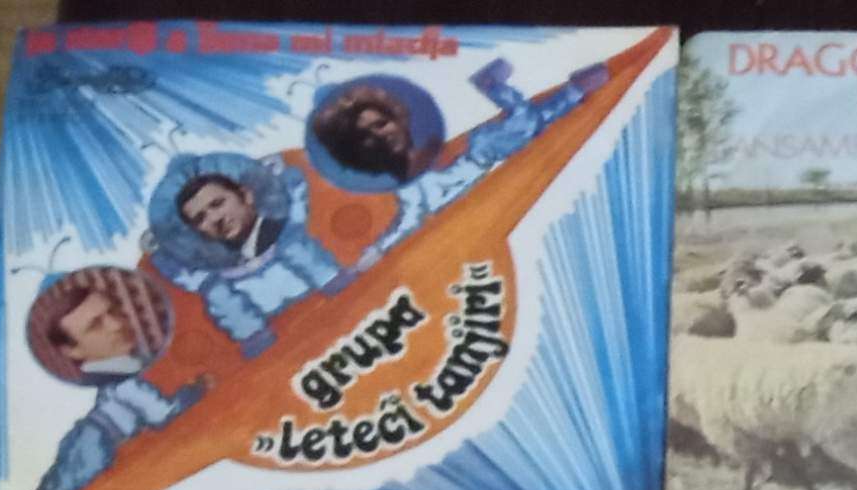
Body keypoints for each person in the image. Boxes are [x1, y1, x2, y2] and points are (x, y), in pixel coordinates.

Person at [321, 59, 611, 262]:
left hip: (479, 151)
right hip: (482, 161)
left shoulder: (412, 173)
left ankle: (505, 86)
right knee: (532, 124)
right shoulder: (410, 192)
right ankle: (562, 91)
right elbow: (405, 222)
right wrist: (377, 251)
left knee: (526, 124)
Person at [7, 268, 206, 490]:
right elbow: (162, 414)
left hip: (95, 437)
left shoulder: (124, 369)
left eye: (112, 311)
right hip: (95, 439)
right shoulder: (123, 381)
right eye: (95, 325)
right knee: (66, 485)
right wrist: (193, 393)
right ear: (73, 351)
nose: (116, 324)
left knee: (66, 481)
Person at [143, 152, 345, 356]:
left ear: (246, 195)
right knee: (217, 292)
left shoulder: (285, 232)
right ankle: (254, 335)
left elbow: (297, 193)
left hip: (336, 310)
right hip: (283, 348)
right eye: (200, 218)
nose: (215, 218)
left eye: (217, 204)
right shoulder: (217, 272)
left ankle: (332, 281)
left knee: (294, 246)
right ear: (197, 231)